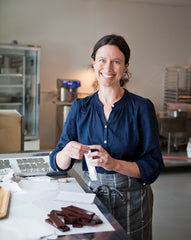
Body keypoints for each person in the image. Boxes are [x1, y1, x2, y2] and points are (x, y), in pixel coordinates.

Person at [49, 34, 164, 240]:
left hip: (134, 202)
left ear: (126, 66)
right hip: (93, 199)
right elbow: (58, 163)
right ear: (93, 62)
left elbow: (153, 166)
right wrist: (66, 151)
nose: (108, 68)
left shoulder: (141, 108)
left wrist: (115, 164)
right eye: (102, 60)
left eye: (116, 61)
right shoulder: (80, 107)